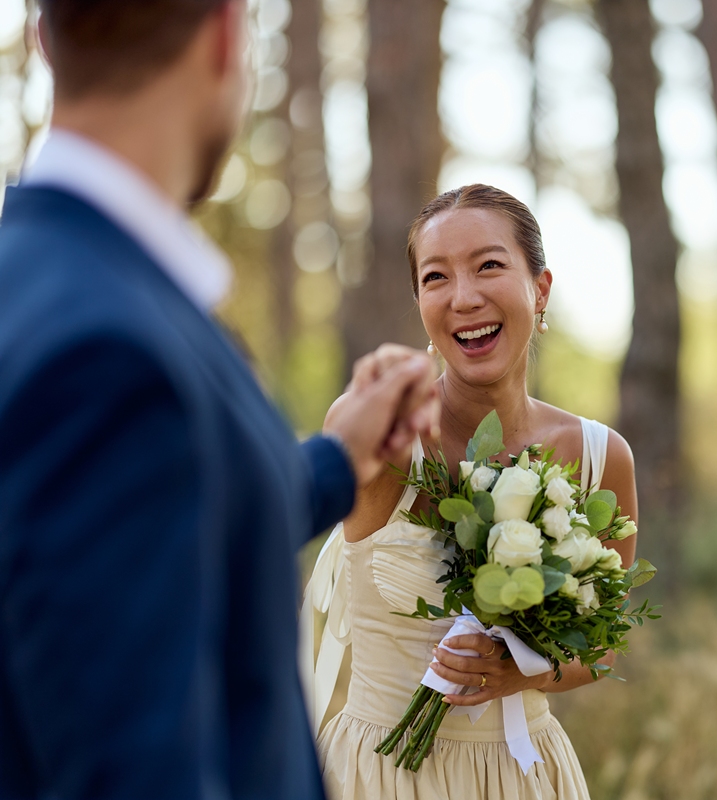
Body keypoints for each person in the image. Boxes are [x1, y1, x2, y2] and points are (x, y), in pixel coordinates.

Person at [0, 2, 439, 798]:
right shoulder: (111, 351)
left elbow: (159, 512)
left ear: (46, 40)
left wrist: (335, 462)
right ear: (227, 36)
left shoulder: (41, 283)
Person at [305, 184, 639, 800]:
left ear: (540, 289)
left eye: (488, 265)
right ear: (420, 303)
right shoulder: (384, 435)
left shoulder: (600, 458)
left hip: (526, 775)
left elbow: (601, 650)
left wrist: (521, 672)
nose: (463, 297)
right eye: (436, 278)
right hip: (381, 774)